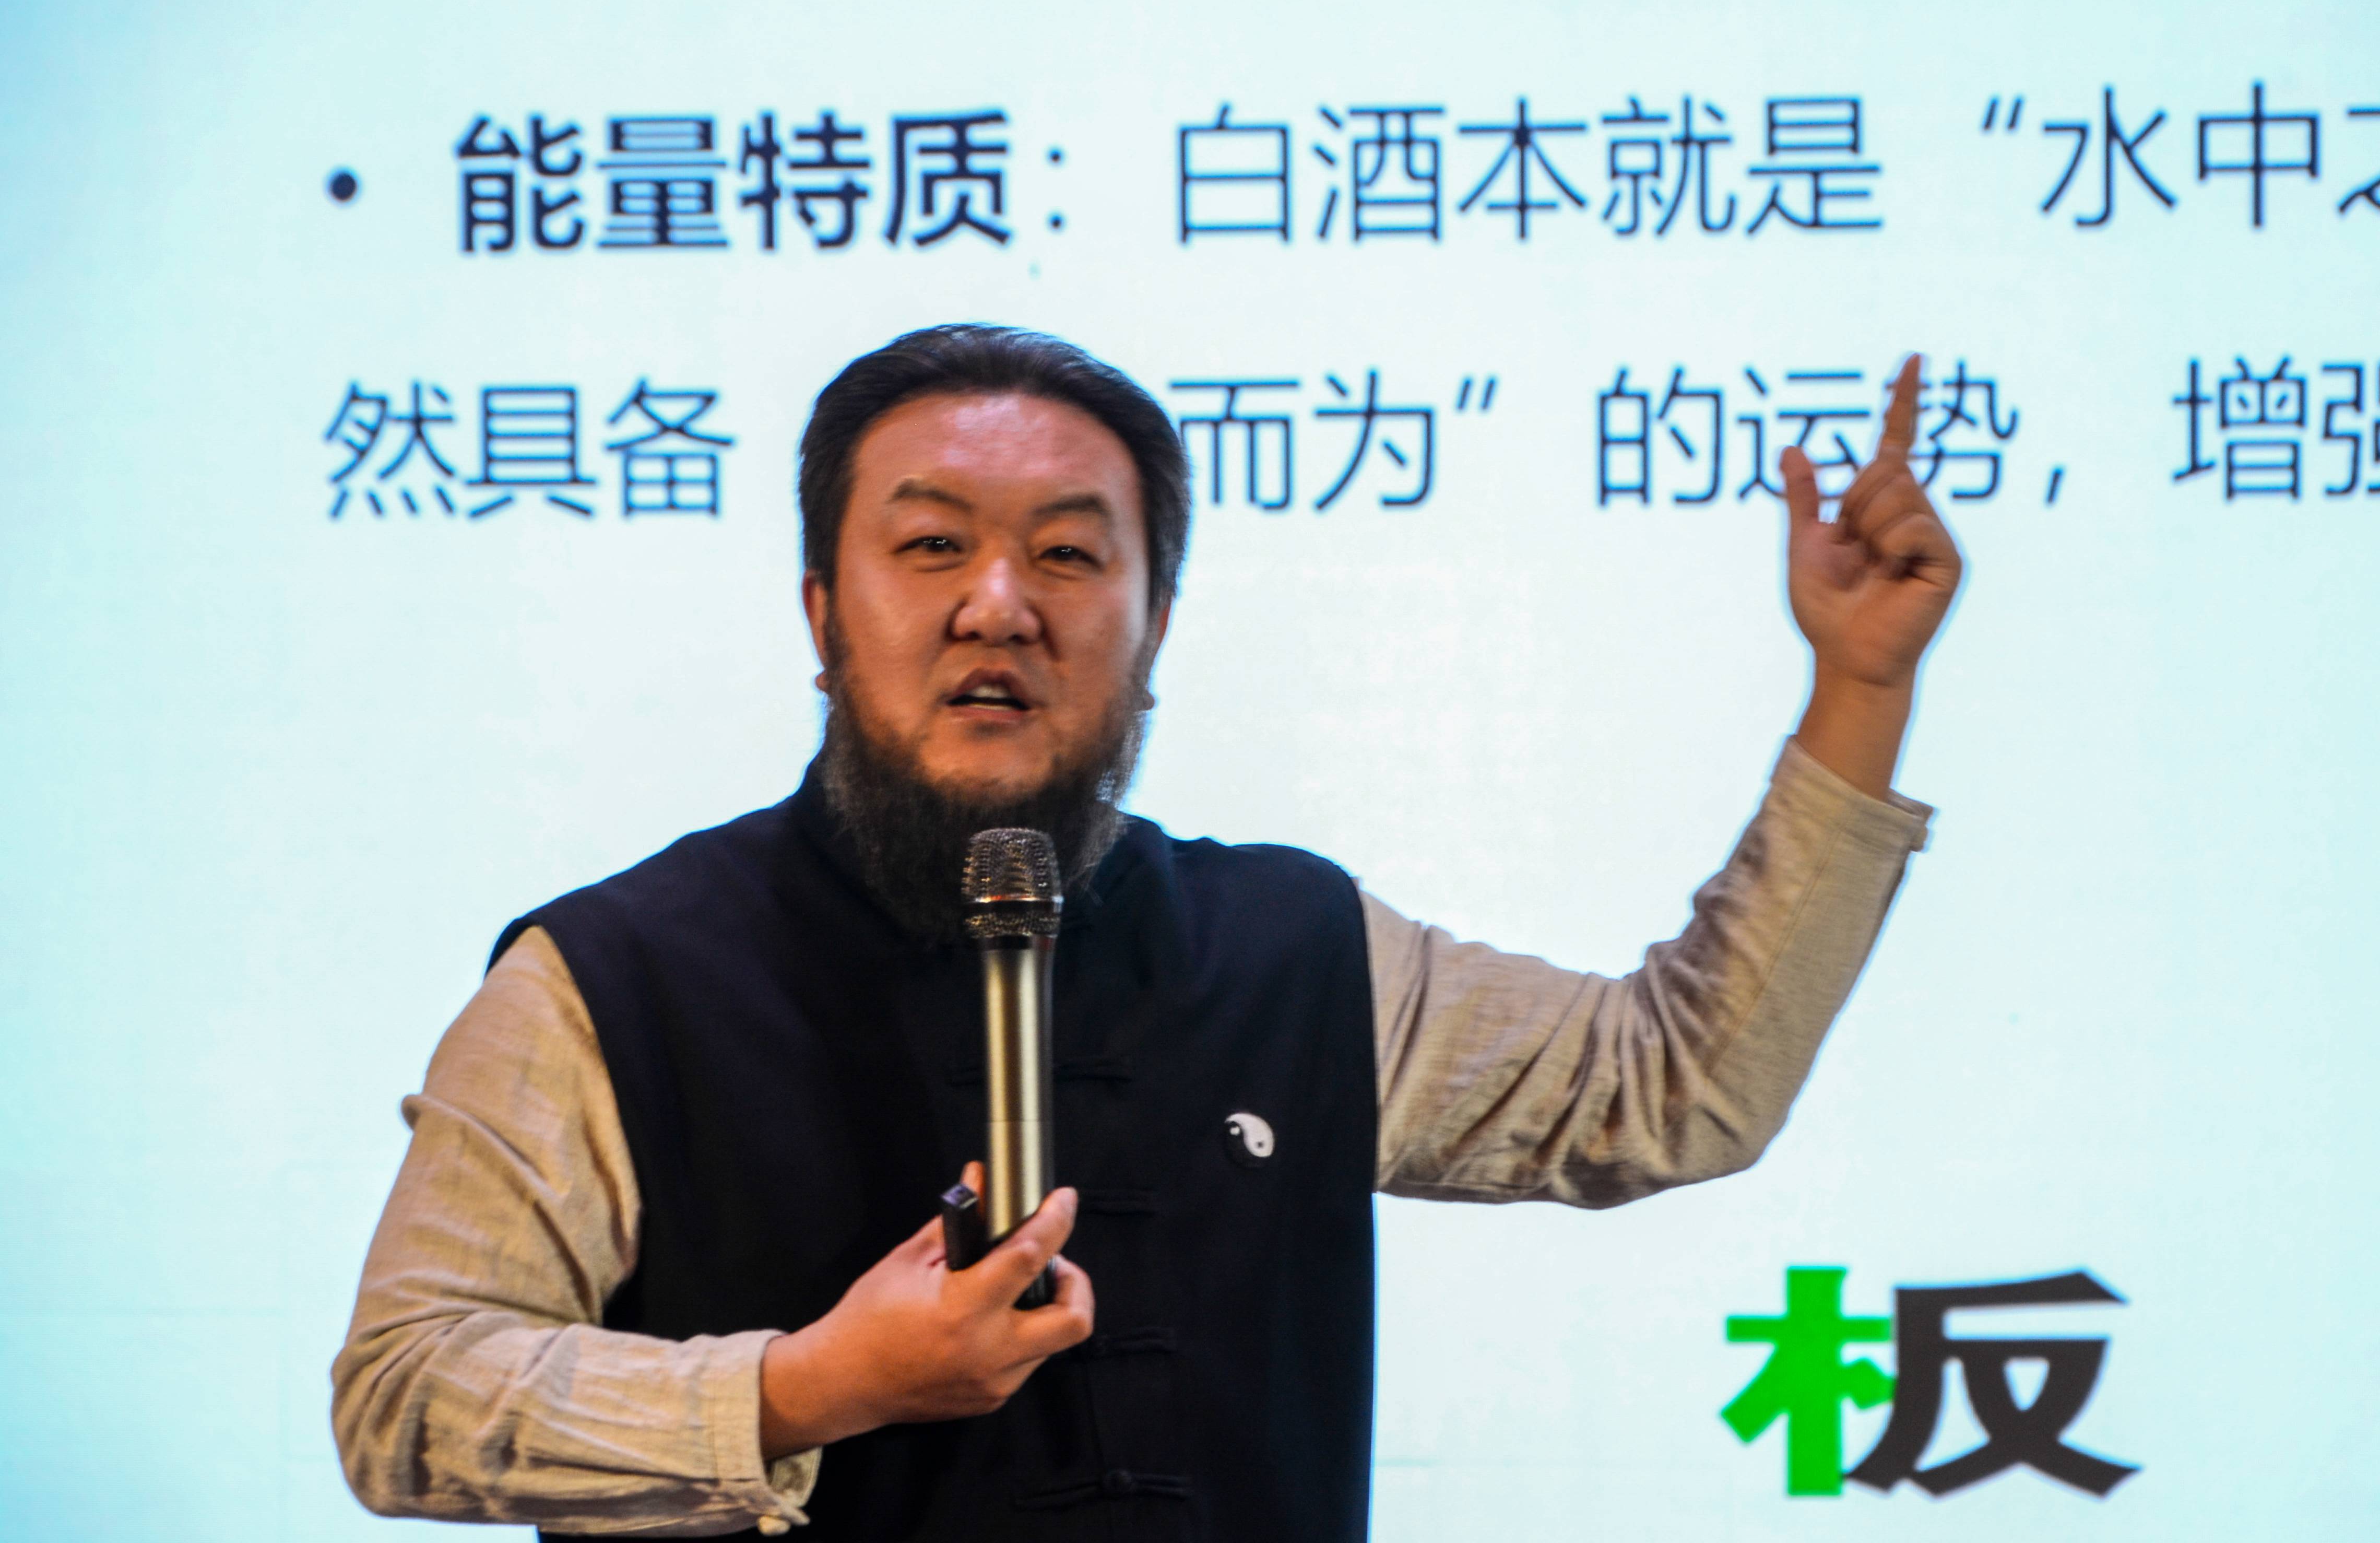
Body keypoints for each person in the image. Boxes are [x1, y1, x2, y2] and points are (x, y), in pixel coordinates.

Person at [331, 324, 1959, 1540]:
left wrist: (1862, 685)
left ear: (1155, 626)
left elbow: (1674, 1085)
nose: (999, 603)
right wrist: (807, 1388)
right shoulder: (610, 980)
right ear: (822, 615)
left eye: (1067, 554)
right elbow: (405, 1395)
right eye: (930, 545)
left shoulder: (1296, 949)